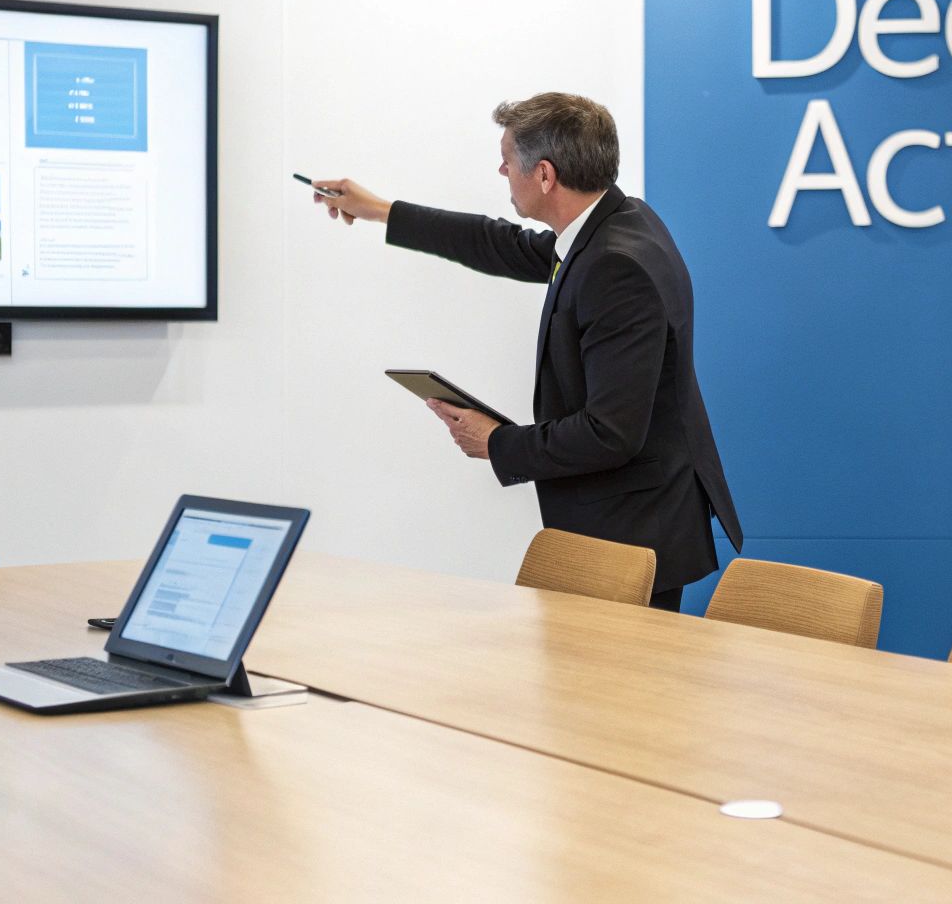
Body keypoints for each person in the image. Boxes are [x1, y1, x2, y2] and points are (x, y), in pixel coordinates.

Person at [313, 92, 742, 611]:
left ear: (544, 175)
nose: (500, 170)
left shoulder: (615, 267)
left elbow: (611, 433)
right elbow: (500, 243)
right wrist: (381, 210)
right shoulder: (616, 220)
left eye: (507, 160)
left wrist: (497, 443)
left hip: (632, 536)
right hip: (630, 520)